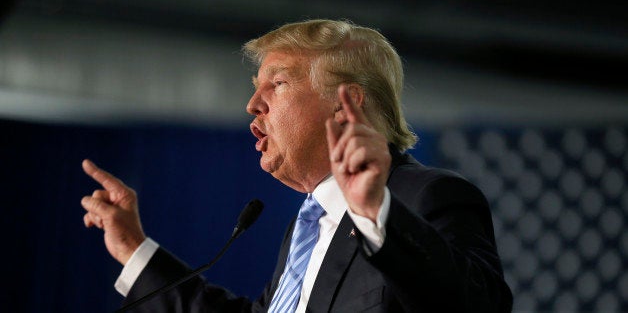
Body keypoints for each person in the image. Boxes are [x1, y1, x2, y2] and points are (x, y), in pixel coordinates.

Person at [81, 19, 513, 312]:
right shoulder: (308, 226)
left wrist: (378, 213)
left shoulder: (426, 196)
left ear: (347, 105)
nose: (253, 105)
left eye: (279, 84)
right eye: (257, 88)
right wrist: (134, 249)